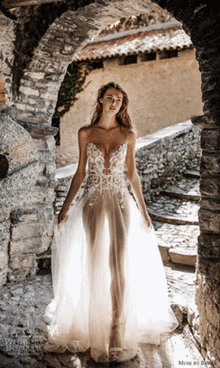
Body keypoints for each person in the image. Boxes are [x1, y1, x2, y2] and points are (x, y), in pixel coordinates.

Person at [44, 82, 178, 363]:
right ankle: (95, 329)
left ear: (122, 104)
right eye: (110, 97)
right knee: (93, 263)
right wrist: (65, 206)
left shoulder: (128, 134)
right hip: (91, 203)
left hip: (119, 203)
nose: (114, 102)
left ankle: (117, 331)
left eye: (119, 99)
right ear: (101, 101)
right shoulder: (86, 133)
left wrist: (144, 210)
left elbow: (132, 175)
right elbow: (79, 172)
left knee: (117, 265)